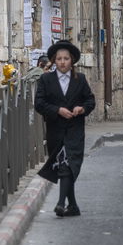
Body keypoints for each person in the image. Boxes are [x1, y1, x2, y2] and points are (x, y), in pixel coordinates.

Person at [35, 41, 96, 217]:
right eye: (59, 59)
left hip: (75, 130)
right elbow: (39, 103)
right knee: (63, 165)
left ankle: (61, 204)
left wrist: (81, 109)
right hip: (55, 129)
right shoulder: (46, 79)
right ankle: (73, 206)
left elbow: (90, 101)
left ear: (72, 61)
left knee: (67, 165)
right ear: (54, 61)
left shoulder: (80, 79)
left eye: (66, 59)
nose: (62, 62)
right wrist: (57, 110)